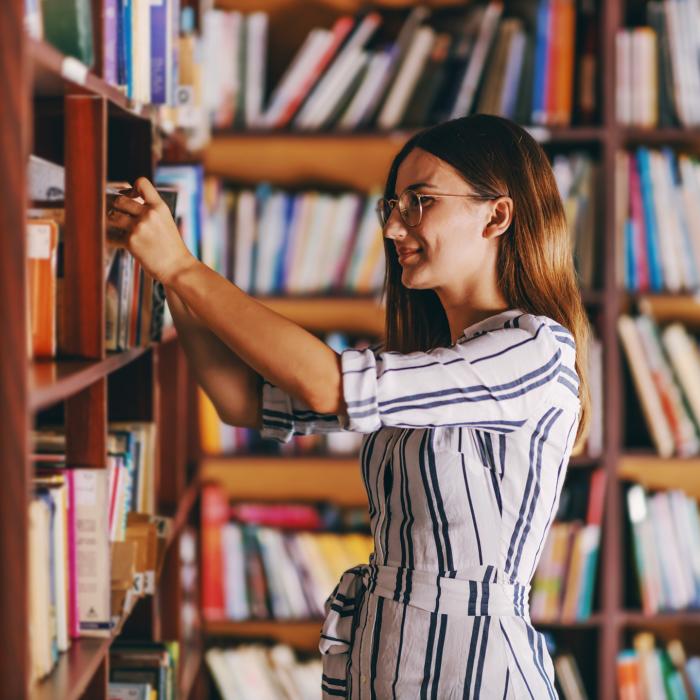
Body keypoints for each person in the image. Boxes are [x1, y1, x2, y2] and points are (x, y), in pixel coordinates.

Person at [107, 113, 590, 699]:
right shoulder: (430, 363)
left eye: (420, 201)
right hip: (381, 661)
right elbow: (241, 401)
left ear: (497, 215)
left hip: (474, 674)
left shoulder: (534, 350)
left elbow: (327, 387)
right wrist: (170, 276)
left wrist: (183, 265)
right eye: (392, 206)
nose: (394, 228)